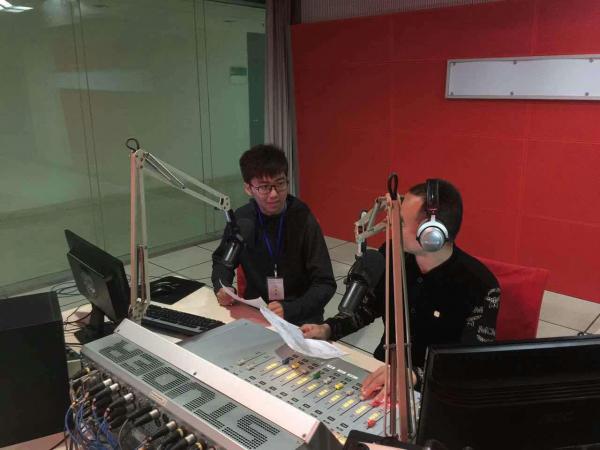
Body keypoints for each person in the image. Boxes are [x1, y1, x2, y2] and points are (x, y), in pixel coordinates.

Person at [301, 179, 501, 398]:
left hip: (435, 389)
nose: (391, 225)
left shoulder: (481, 285)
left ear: (432, 233)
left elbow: (469, 363)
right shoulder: (391, 255)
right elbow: (367, 309)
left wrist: (414, 376)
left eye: (401, 222)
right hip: (382, 371)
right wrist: (328, 329)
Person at [211, 144, 336, 325]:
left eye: (280, 184)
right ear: (248, 188)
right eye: (264, 187)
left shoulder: (303, 219)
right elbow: (223, 262)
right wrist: (223, 287)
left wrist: (291, 309)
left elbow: (325, 283)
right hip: (257, 313)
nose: (274, 194)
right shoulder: (243, 220)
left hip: (300, 316)